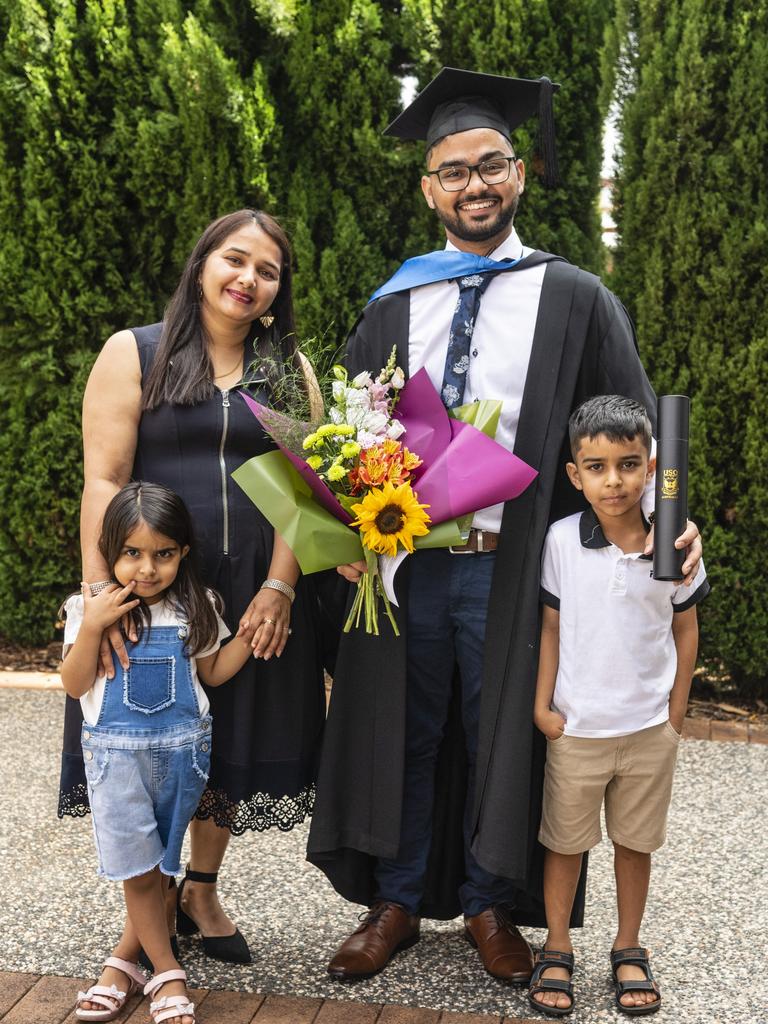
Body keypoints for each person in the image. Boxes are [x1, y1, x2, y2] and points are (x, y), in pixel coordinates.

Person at [307, 68, 703, 982]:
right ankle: (398, 897)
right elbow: (348, 435)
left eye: (491, 166)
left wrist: (668, 521)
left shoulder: (573, 297)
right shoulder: (394, 303)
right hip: (407, 565)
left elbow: (633, 419)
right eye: (453, 171)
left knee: (502, 734)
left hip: (515, 563)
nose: (473, 184)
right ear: (428, 188)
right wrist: (340, 529)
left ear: (518, 175)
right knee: (404, 728)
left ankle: (491, 903)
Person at [59, 209, 327, 988]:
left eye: (267, 270)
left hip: (253, 594)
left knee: (230, 742)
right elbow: (104, 480)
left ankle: (200, 891)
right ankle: (142, 925)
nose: (248, 279)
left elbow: (305, 495)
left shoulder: (288, 371)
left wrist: (282, 585)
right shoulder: (133, 352)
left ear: (278, 290)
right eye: (235, 260)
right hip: (153, 585)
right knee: (148, 748)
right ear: (203, 263)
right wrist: (103, 594)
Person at [528, 396, 708, 1017]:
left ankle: (629, 944)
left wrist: (676, 714)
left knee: (635, 844)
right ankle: (556, 945)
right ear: (575, 474)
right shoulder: (560, 540)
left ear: (653, 467)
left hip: (648, 729)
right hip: (577, 726)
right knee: (566, 842)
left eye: (629, 464)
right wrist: (542, 706)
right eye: (597, 466)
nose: (614, 480)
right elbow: (550, 628)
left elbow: (686, 630)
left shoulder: (676, 544)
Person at [65, 483, 260, 1023]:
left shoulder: (197, 606)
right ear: (110, 550)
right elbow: (75, 682)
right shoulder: (88, 607)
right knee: (138, 870)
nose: (146, 569)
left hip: (181, 760)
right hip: (116, 763)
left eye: (163, 554)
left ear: (183, 554)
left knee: (159, 867)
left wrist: (253, 630)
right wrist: (95, 626)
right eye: (132, 553)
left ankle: (123, 966)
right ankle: (167, 973)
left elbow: (214, 671)